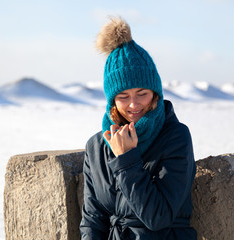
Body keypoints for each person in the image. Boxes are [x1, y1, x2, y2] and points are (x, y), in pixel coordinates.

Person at [79, 17, 197, 240]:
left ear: (155, 93)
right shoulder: (96, 146)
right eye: (123, 96)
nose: (134, 104)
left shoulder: (175, 137)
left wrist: (126, 159)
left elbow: (158, 217)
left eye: (142, 93)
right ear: (112, 101)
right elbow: (92, 220)